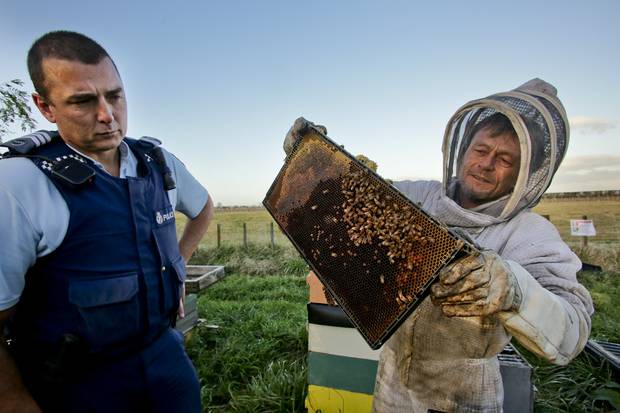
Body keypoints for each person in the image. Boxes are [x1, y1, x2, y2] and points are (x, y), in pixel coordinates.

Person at [283, 78, 593, 412]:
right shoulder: (419, 196)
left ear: (525, 172)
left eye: (504, 158)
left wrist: (512, 287)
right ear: (463, 150)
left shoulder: (530, 233)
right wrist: (318, 162)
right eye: (481, 150)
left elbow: (572, 333)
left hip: (463, 395)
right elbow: (355, 201)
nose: (487, 164)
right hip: (388, 379)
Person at [0, 31, 214, 413]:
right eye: (83, 101)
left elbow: (203, 208)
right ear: (45, 107)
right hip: (77, 382)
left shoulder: (158, 163)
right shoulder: (18, 185)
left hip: (164, 353)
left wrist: (177, 267)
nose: (107, 115)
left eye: (114, 95)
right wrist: (13, 399)